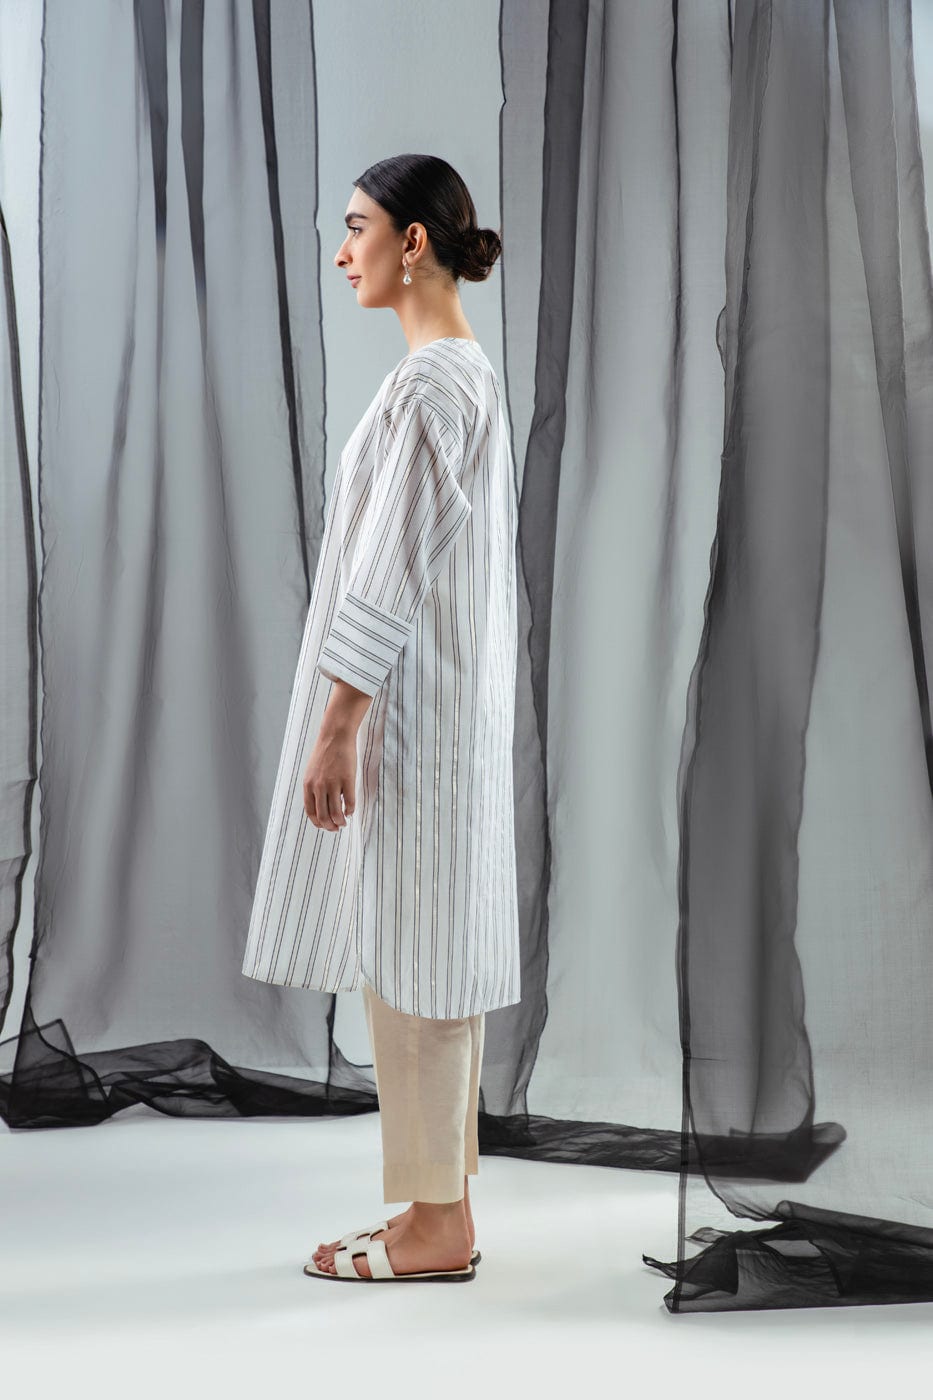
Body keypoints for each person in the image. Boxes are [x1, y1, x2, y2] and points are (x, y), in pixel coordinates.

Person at [240, 153, 521, 1283]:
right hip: (438, 710)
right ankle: (436, 1208)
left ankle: (435, 1223)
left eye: (357, 227)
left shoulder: (431, 387)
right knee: (424, 954)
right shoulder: (461, 375)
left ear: (413, 242)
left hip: (411, 718)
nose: (341, 251)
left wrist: (337, 723)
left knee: (418, 964)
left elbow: (387, 570)